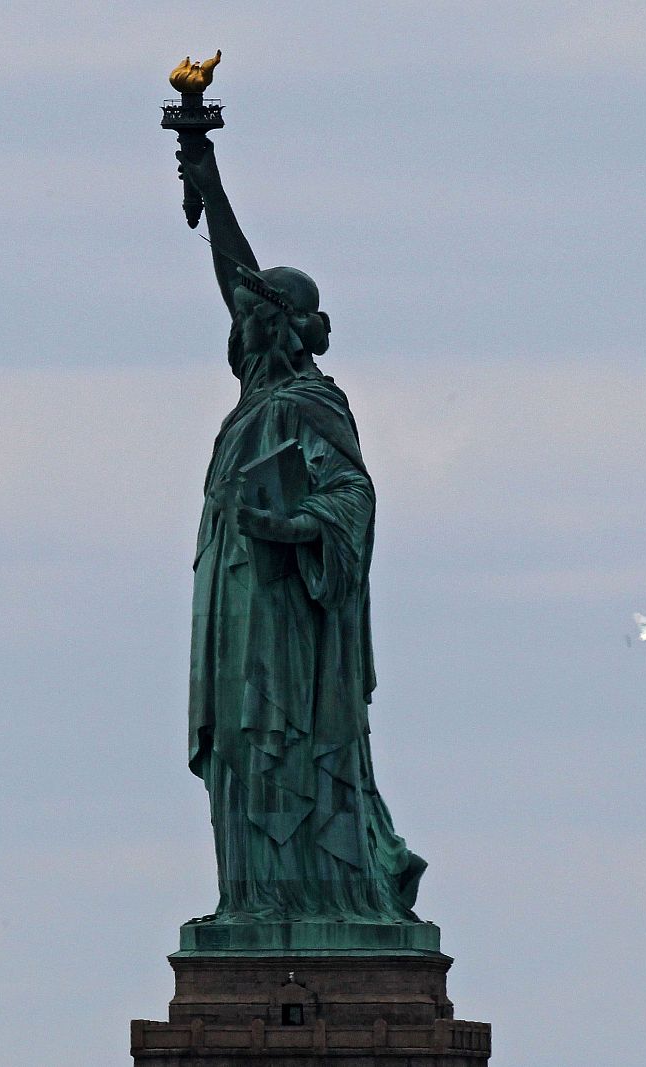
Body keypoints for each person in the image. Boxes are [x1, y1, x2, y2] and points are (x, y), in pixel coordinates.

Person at [174, 130, 426, 923]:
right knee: (242, 753)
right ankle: (250, 899)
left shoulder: (313, 404)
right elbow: (234, 278)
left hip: (289, 611)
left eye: (255, 318)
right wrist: (207, 179)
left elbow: (352, 494)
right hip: (235, 602)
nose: (240, 326)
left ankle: (314, 895)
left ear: (280, 327)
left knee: (278, 740)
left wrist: (289, 525)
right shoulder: (256, 395)